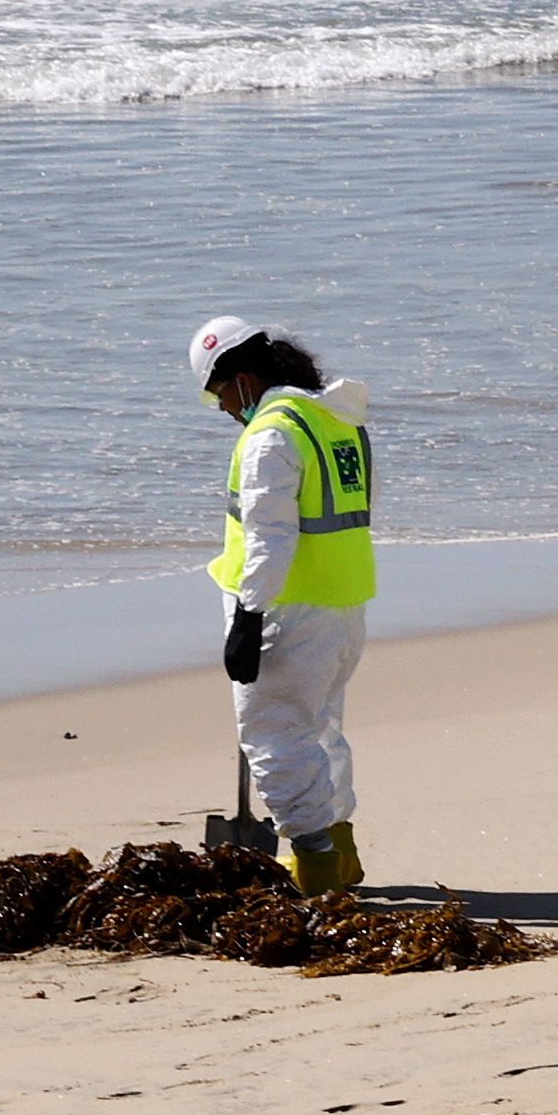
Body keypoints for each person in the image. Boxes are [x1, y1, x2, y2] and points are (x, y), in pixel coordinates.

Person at [192, 318, 377, 898]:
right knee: (321, 732)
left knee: (275, 738)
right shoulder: (334, 420)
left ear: (241, 379)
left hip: (287, 611)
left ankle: (317, 871)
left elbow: (271, 536)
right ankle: (340, 852)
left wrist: (248, 615)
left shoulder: (271, 436)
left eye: (216, 392)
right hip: (342, 605)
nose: (219, 408)